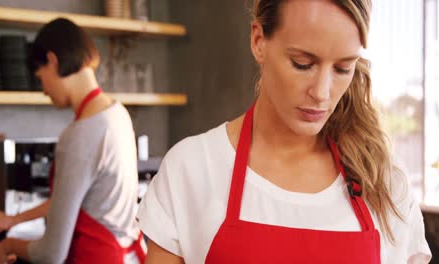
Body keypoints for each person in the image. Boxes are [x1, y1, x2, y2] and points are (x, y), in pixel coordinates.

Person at [137, 0, 432, 263]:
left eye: (343, 68)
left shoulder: (385, 183)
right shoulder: (191, 169)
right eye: (302, 64)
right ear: (258, 41)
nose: (321, 92)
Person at [0, 18, 146, 264]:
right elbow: (75, 199)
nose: (44, 90)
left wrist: (8, 245)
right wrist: (13, 220)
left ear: (53, 61)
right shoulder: (117, 113)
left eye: (40, 75)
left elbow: (51, 254)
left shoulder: (80, 134)